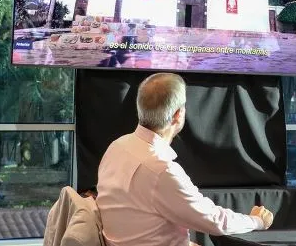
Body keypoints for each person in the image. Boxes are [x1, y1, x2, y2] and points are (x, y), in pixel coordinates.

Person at [96, 73, 274, 246]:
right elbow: (214, 221)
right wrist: (257, 221)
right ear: (178, 114)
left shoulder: (116, 147)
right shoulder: (162, 171)